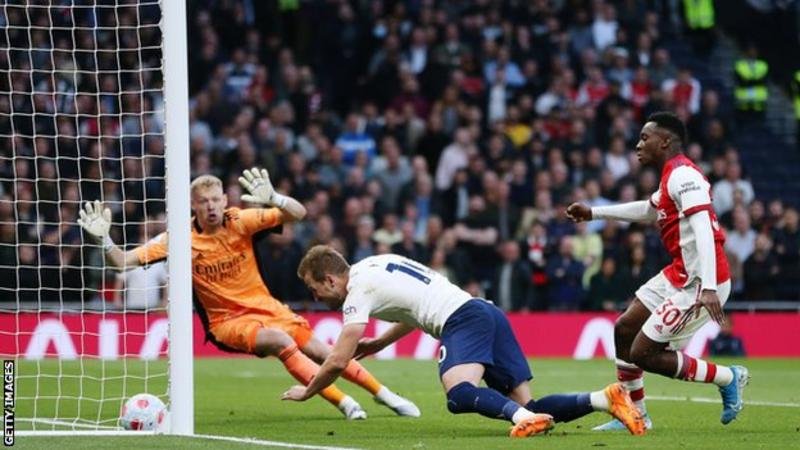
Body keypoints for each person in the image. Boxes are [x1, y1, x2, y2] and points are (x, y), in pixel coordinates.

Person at [77, 168, 419, 420]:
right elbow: (121, 261)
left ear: (224, 200)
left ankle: (385, 395)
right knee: (280, 342)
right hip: (227, 321)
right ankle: (345, 403)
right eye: (202, 202)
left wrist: (275, 198)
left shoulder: (240, 220)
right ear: (192, 206)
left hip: (267, 307)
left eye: (215, 199)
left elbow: (298, 214)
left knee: (322, 350)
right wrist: (105, 239)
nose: (211, 206)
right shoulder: (178, 238)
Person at [282, 246, 646, 438]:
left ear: (330, 280)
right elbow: (415, 309)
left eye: (315, 290)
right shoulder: (376, 265)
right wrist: (379, 344)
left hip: (464, 320)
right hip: (485, 312)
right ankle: (605, 399)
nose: (317, 299)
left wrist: (309, 390)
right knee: (529, 403)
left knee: (459, 394)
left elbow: (337, 360)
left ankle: (524, 420)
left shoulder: (357, 291)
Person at [566, 112, 749, 431]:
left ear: (665, 141)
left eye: (644, 138)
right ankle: (635, 415)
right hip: (679, 273)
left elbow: (704, 228)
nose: (638, 144)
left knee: (643, 352)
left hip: (701, 282)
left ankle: (728, 376)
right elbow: (650, 211)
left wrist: (707, 286)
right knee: (624, 328)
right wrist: (594, 212)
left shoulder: (684, 175)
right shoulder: (670, 176)